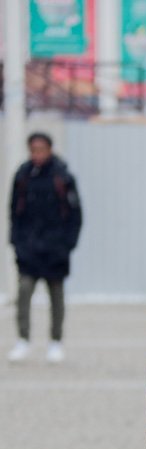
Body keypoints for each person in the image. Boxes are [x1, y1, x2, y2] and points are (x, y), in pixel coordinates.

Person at [7, 132, 82, 363]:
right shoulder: (22, 176)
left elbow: (75, 214)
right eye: (33, 150)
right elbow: (14, 213)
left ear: (49, 150)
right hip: (28, 249)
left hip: (55, 249)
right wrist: (16, 242)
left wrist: (67, 244)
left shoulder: (63, 176)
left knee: (56, 296)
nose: (37, 154)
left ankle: (55, 342)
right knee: (24, 292)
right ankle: (23, 339)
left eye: (41, 149)